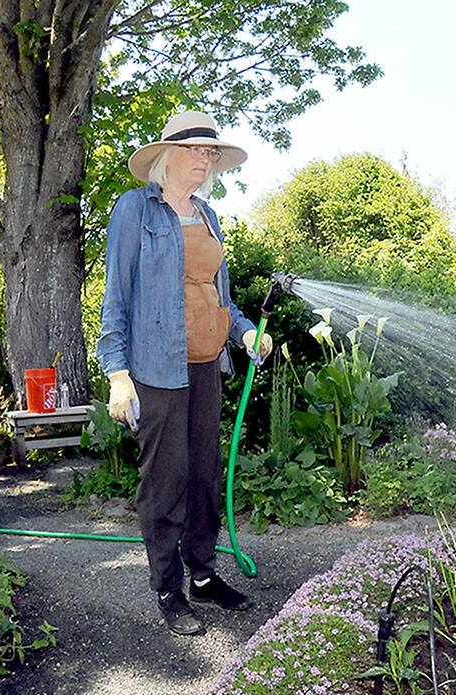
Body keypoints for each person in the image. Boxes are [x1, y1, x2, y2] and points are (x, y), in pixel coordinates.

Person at [96, 110, 273, 636]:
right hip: (154, 370)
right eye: (197, 149)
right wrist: (117, 372)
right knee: (165, 480)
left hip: (205, 367)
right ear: (168, 156)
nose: (206, 158)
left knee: (203, 476)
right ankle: (169, 590)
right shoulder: (136, 210)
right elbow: (116, 294)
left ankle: (202, 575)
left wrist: (244, 333)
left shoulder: (209, 216)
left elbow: (222, 296)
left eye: (211, 152)